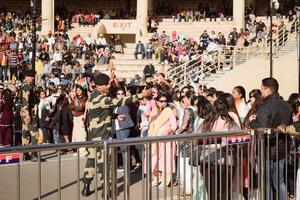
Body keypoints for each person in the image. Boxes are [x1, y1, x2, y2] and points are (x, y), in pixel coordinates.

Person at [81, 73, 151, 196]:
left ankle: (86, 186)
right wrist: (141, 95)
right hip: (102, 137)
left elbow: (100, 112)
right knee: (105, 164)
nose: (109, 85)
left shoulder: (93, 96)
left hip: (94, 136)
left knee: (91, 161)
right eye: (107, 84)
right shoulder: (101, 98)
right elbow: (119, 102)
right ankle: (106, 190)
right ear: (100, 86)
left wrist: (115, 116)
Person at [249, 78, 293, 200]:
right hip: (282, 148)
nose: (261, 92)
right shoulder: (287, 106)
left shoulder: (264, 107)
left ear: (268, 90)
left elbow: (262, 130)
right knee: (279, 181)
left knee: (267, 182)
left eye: (262, 89)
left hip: (267, 149)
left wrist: (252, 122)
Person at [149, 92, 178, 188]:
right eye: (161, 101)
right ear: (157, 102)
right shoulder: (154, 111)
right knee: (155, 159)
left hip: (166, 140)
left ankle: (166, 180)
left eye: (165, 101)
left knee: (166, 159)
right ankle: (157, 178)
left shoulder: (169, 111)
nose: (163, 103)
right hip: (154, 139)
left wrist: (169, 130)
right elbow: (150, 125)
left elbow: (174, 125)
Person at [20, 70, 41, 162]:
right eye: (31, 76)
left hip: (25, 113)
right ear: (27, 77)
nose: (33, 78)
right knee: (34, 134)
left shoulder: (24, 86)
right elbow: (25, 101)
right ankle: (34, 154)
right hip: (30, 113)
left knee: (25, 133)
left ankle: (25, 153)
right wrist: (28, 114)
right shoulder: (27, 87)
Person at [112, 88, 135, 170]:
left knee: (124, 147)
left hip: (125, 127)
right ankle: (126, 165)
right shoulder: (114, 104)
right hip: (117, 127)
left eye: (122, 93)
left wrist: (129, 97)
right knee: (121, 148)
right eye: (119, 94)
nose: (120, 95)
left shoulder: (126, 103)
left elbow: (131, 105)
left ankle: (128, 167)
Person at [68, 85, 88, 156]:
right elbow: (70, 107)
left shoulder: (85, 98)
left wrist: (75, 106)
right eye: (77, 90)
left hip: (81, 117)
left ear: (82, 90)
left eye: (79, 90)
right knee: (76, 134)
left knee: (82, 134)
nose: (78, 92)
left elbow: (81, 107)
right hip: (75, 118)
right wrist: (74, 104)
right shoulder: (75, 99)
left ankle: (83, 151)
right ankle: (77, 150)